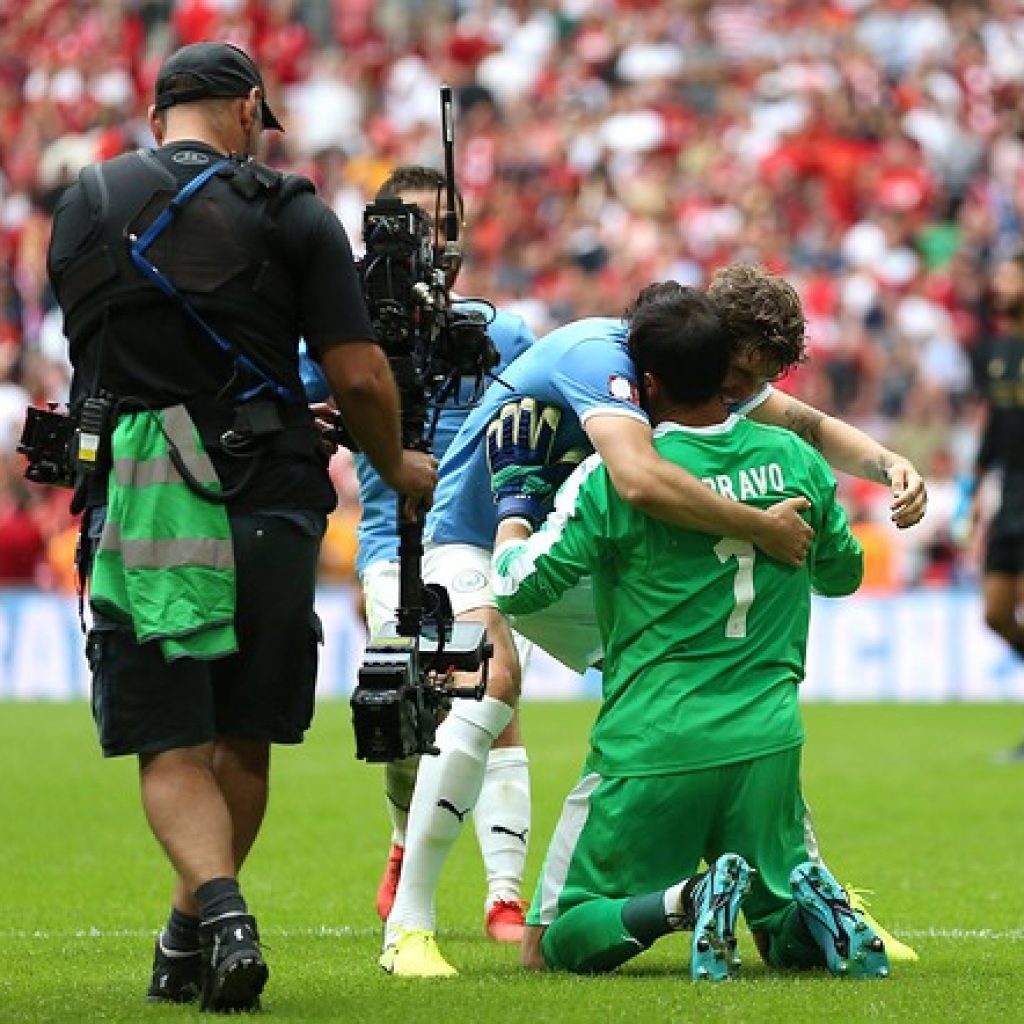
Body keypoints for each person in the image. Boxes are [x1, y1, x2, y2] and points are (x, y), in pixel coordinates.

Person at [381, 264, 922, 977]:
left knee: (699, 684)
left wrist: (889, 465)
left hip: (558, 537)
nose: (738, 399)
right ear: (710, 348)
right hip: (476, 532)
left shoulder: (695, 363)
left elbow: (807, 424)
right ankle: (410, 927)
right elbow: (636, 478)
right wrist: (758, 523)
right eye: (737, 380)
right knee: (493, 681)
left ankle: (802, 889)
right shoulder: (599, 356)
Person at [45, 41, 435, 1012]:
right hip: (268, 495)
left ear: (156, 118)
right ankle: (201, 930)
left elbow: (114, 358)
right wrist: (396, 465)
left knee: (170, 739)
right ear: (251, 109)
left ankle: (209, 924)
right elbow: (357, 373)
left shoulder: (84, 202)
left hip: (137, 497)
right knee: (244, 735)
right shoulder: (291, 208)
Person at [345, 165, 538, 940]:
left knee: (494, 692)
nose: (441, 240)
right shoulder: (351, 335)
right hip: (392, 544)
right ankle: (404, 841)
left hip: (479, 545)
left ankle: (504, 895)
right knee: (409, 715)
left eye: (451, 224)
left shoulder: (504, 334)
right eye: (423, 224)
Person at [966, 253, 1024, 762]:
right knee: (997, 613)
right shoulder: (995, 352)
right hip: (1011, 496)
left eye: (1011, 275)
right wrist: (974, 497)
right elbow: (994, 427)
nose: (1001, 283)